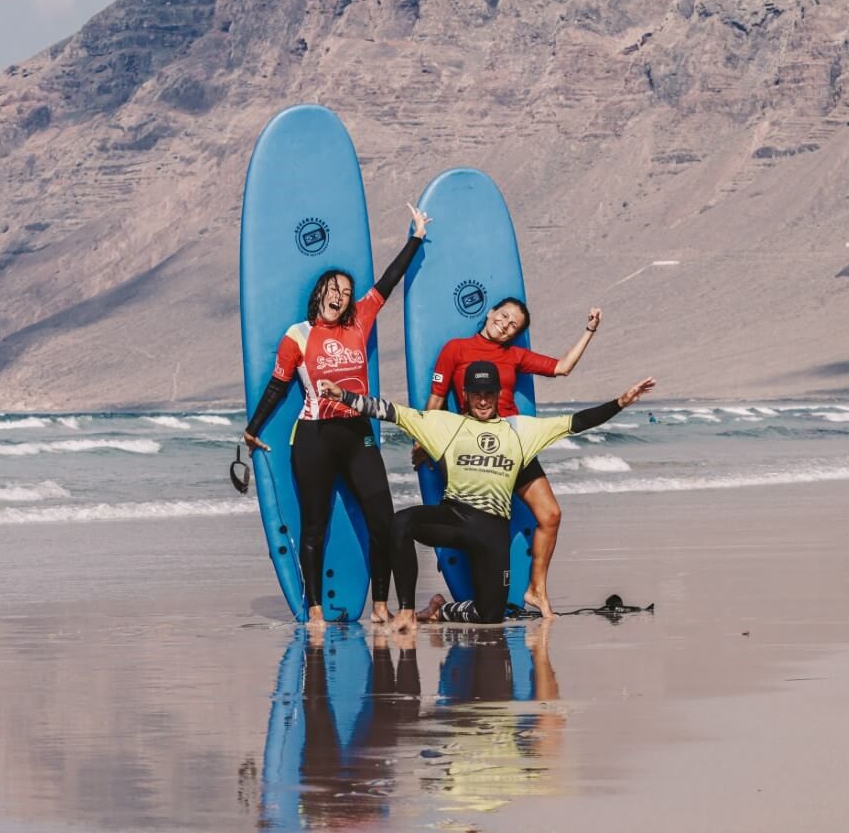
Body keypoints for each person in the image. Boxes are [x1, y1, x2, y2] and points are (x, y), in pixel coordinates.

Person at [319, 361, 655, 632]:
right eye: (476, 392)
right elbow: (389, 411)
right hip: (455, 517)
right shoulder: (444, 425)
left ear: (498, 393)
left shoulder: (521, 430)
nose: (482, 399)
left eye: (489, 392)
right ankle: (406, 610)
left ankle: (440, 609)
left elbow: (576, 422)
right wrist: (343, 395)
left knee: (491, 616)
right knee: (401, 522)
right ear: (465, 394)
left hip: (493, 530)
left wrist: (621, 403)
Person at [243, 204, 430, 626]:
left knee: (381, 519)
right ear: (320, 292)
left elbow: (390, 280)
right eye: (334, 288)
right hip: (314, 438)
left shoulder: (360, 320)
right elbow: (277, 385)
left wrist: (416, 237)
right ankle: (314, 611)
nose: (340, 295)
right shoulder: (298, 335)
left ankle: (380, 604)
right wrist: (252, 429)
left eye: (346, 292)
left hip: (358, 433)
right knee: (315, 527)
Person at [419, 298, 602, 619]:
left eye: (513, 325)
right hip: (471, 449)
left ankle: (536, 589)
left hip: (513, 444)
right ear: (490, 313)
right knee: (475, 528)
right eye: (503, 316)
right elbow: (436, 399)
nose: (504, 324)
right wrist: (425, 440)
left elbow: (562, 368)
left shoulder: (514, 355)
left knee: (551, 514)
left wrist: (589, 330)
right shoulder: (455, 349)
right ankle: (463, 602)